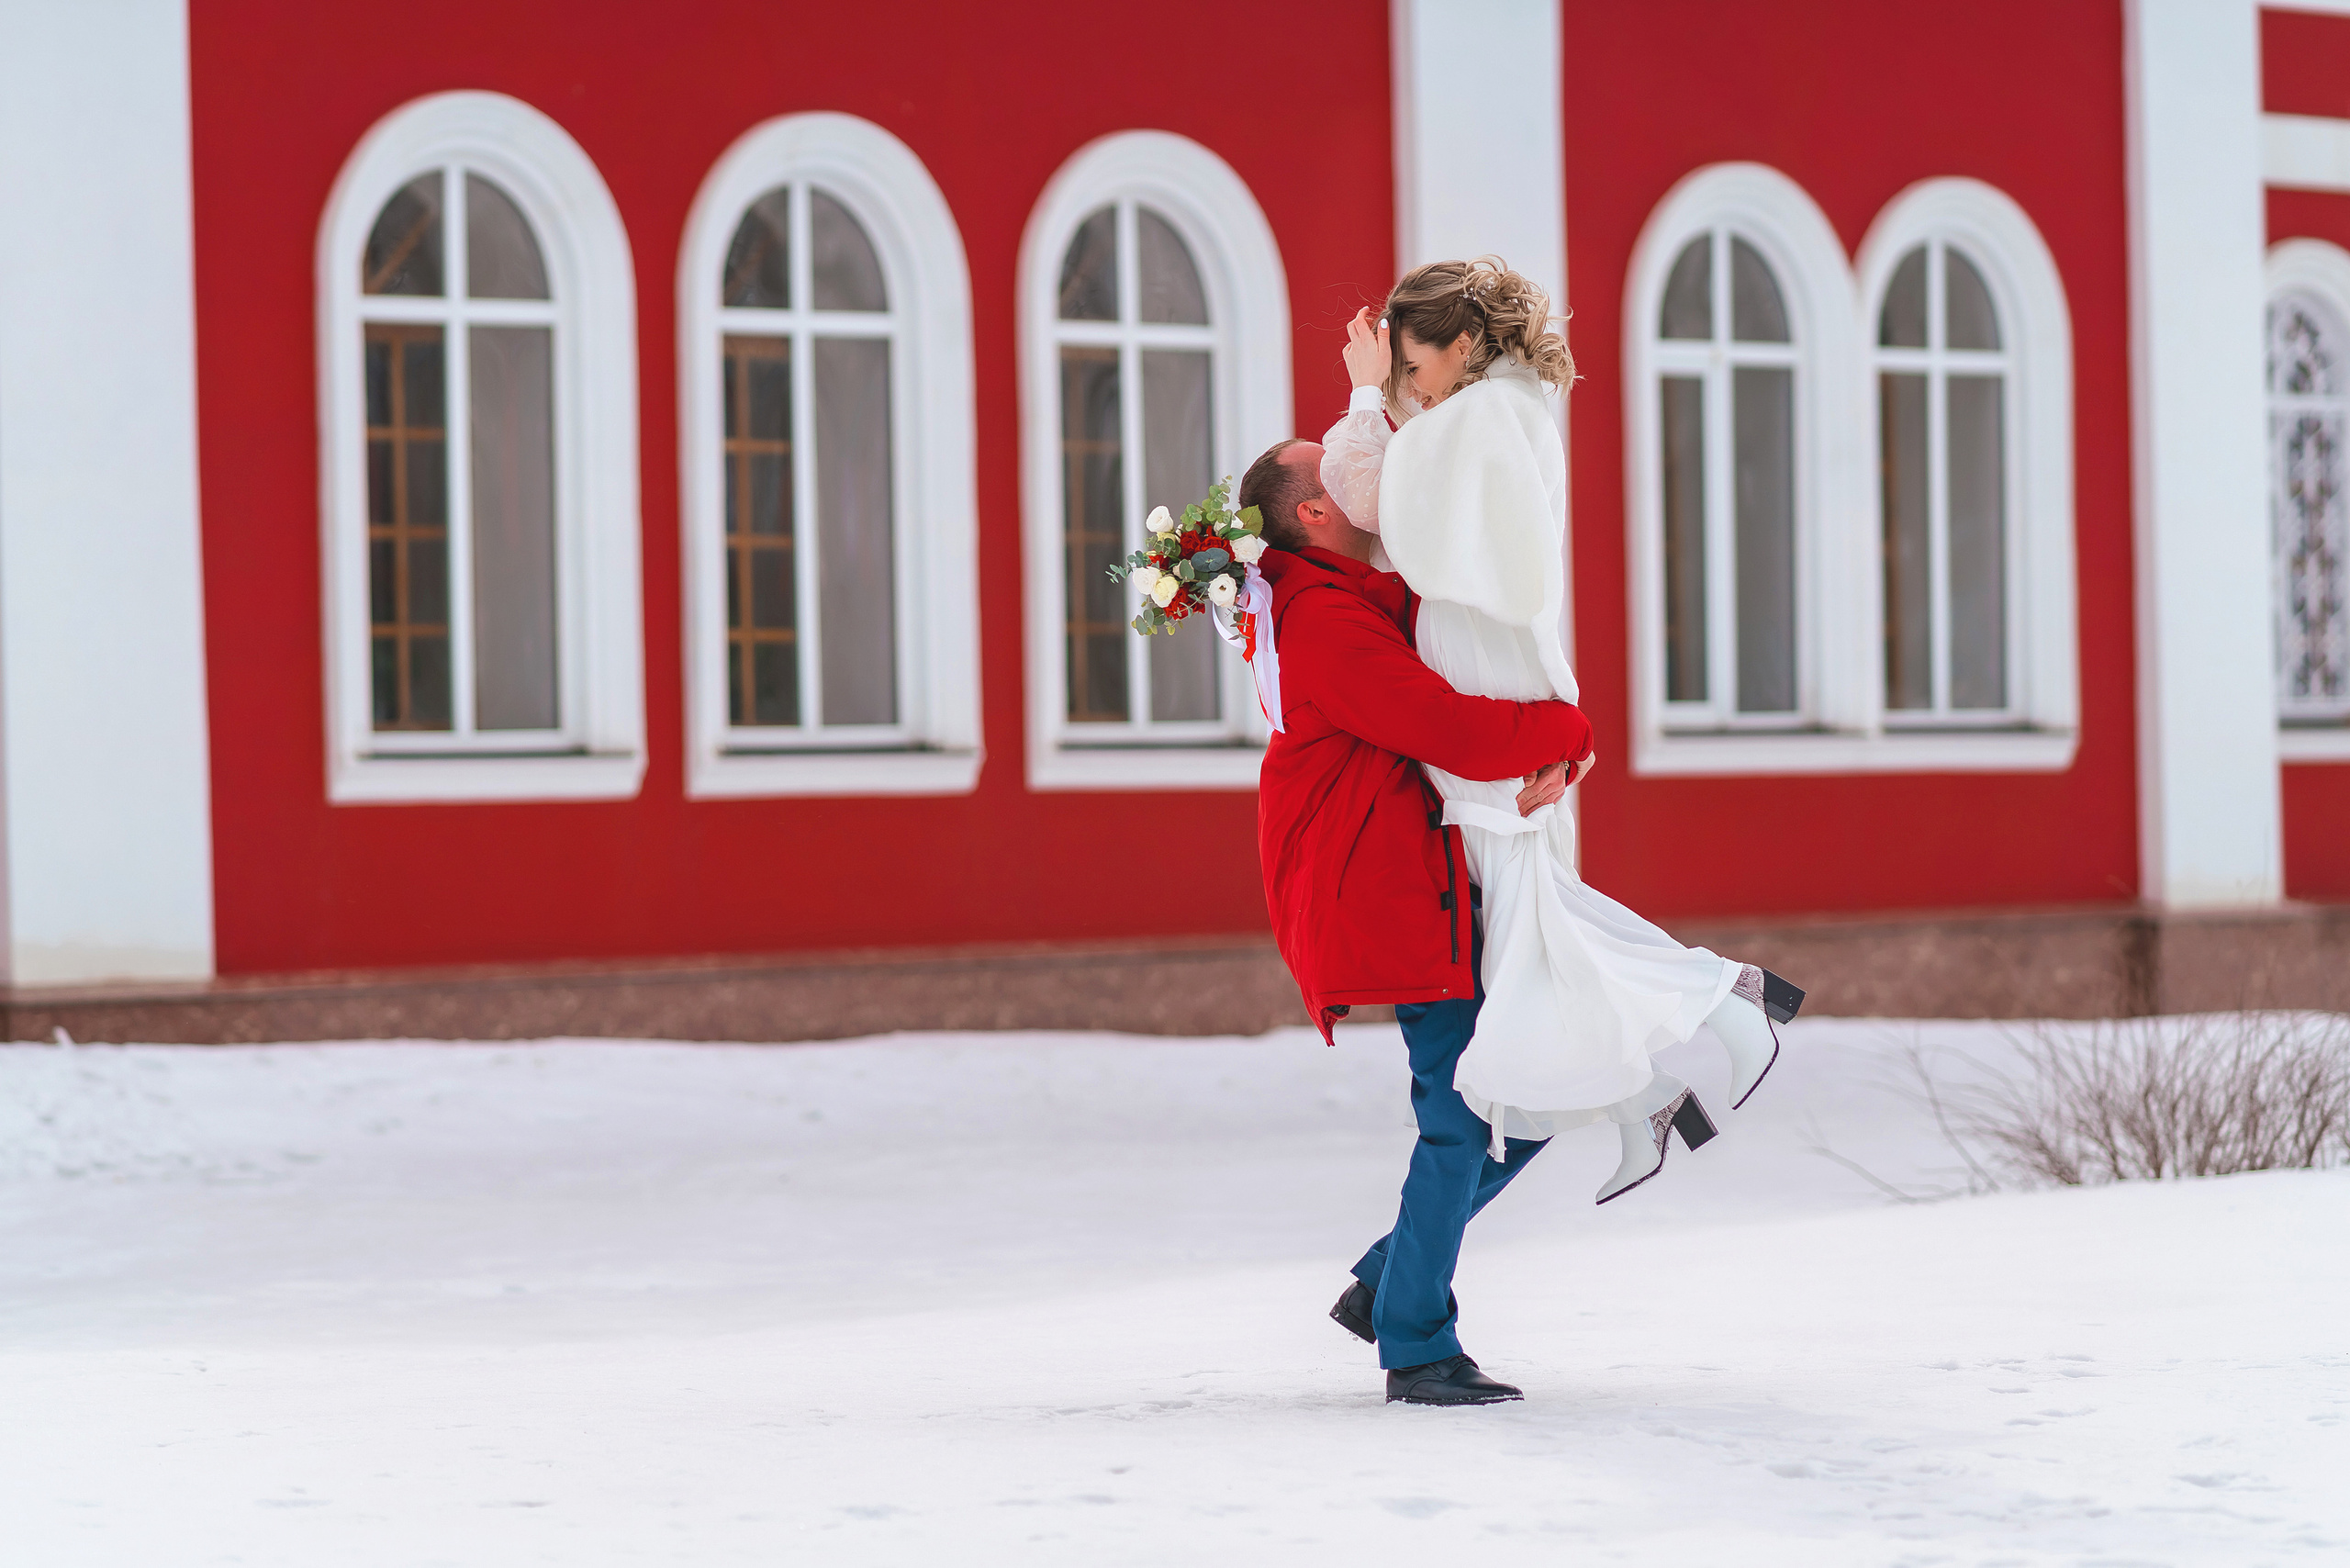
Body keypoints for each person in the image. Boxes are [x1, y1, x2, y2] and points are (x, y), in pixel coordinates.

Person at [1317, 257, 1805, 1206]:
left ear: (1458, 346)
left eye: (1411, 366)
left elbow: (1371, 500)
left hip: (1490, 675)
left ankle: (1718, 1003)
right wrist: (1386, 394)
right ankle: (1654, 1094)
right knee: (1528, 929)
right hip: (1496, 665)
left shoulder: (1485, 417)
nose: (1406, 386)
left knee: (1528, 927)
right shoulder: (1489, 411)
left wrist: (1355, 393)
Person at [1237, 438, 1587, 1406]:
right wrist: (1571, 727)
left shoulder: (1341, 596)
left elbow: (1442, 629)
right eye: (1342, 470)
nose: (1368, 479)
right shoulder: (1319, 620)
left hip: (1415, 879)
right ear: (1313, 514)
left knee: (1520, 1101)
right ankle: (1416, 1341)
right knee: (1468, 1116)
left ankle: (1392, 1283)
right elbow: (1450, 727)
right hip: (1384, 892)